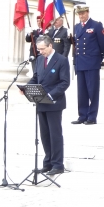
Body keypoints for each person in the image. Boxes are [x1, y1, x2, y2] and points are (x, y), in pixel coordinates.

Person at [24, 35, 70, 175]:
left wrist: (51, 94)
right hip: (40, 101)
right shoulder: (39, 59)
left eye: (42, 49)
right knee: (44, 135)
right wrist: (26, 88)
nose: (40, 52)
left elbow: (64, 82)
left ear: (50, 46)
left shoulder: (61, 60)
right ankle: (48, 162)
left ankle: (58, 164)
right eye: (38, 49)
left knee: (55, 134)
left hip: (54, 102)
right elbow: (36, 77)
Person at [71, 5, 104, 125]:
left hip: (92, 61)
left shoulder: (96, 25)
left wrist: (100, 58)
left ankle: (92, 117)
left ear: (88, 12)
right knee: (82, 91)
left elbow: (102, 44)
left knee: (92, 91)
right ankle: (82, 115)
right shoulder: (76, 27)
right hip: (80, 62)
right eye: (79, 14)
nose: (81, 16)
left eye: (83, 13)